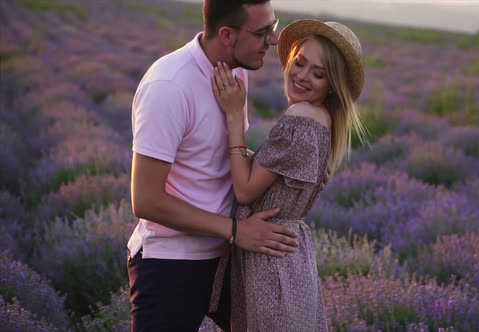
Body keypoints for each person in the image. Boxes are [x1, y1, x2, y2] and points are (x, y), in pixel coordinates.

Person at [126, 1, 301, 331]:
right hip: (172, 264)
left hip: (227, 256)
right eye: (263, 32)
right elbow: (146, 200)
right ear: (227, 35)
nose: (275, 41)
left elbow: (221, 158)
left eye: (273, 27)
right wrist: (236, 231)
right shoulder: (168, 87)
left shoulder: (235, 71)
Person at [209, 19, 367, 331]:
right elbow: (274, 177)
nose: (302, 76)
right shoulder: (324, 121)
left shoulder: (300, 118)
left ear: (332, 84)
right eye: (300, 62)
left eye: (318, 73)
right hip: (292, 262)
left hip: (268, 261)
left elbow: (245, 191)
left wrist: (234, 117)